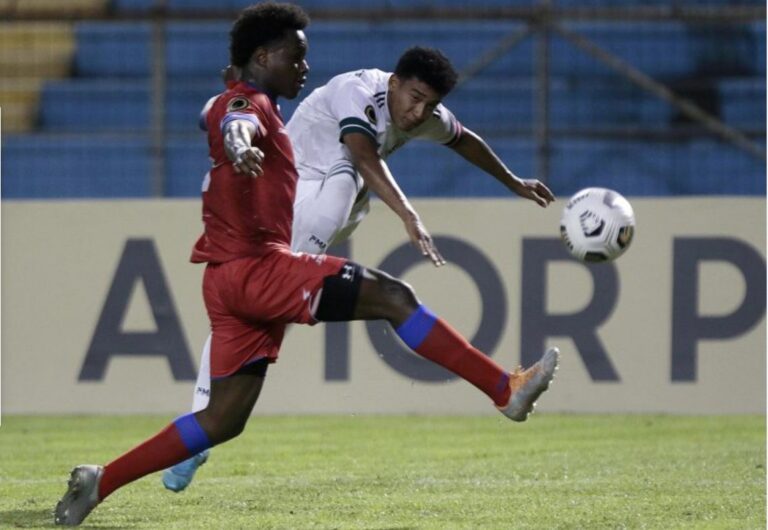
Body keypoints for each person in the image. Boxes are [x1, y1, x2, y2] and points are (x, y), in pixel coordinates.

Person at [54, 3, 559, 526]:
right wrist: (239, 137)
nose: (305, 68)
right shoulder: (260, 104)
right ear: (263, 56)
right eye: (296, 58)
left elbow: (221, 112)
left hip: (226, 279)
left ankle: (100, 481)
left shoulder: (254, 103)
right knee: (393, 296)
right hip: (261, 267)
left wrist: (513, 182)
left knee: (222, 420)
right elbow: (239, 120)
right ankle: (504, 388)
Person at [161, 48, 559, 491]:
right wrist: (408, 214)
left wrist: (512, 181)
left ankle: (199, 427)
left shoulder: (422, 109)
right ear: (394, 83)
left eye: (429, 104)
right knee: (260, 304)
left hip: (337, 205)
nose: (418, 111)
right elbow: (365, 155)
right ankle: (198, 429)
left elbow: (463, 139)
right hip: (294, 194)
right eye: (414, 98)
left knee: (259, 312)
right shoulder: (358, 91)